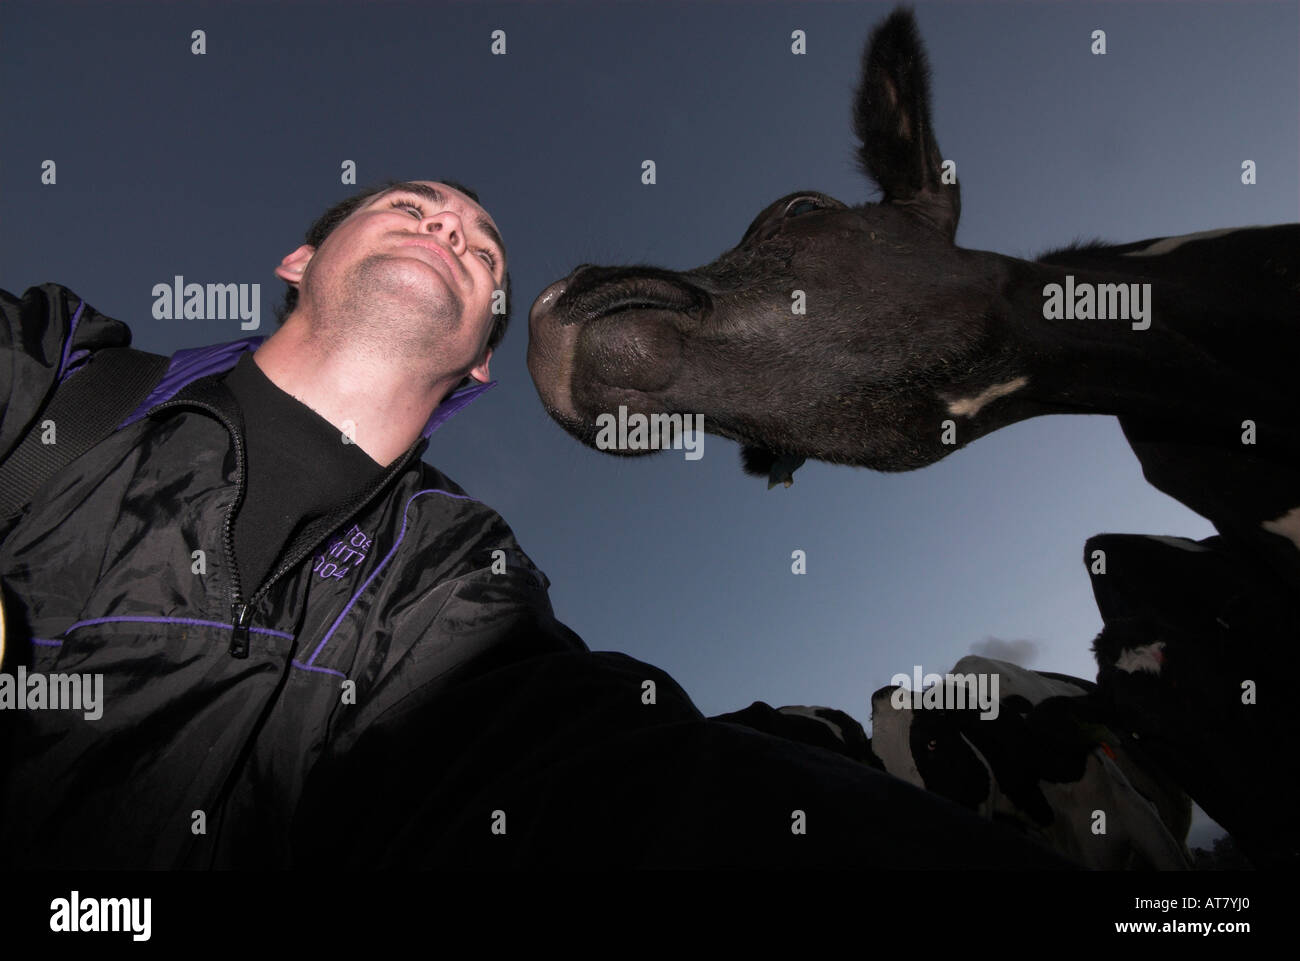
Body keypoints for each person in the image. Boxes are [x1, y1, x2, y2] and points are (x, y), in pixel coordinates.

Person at [0, 180, 1068, 869]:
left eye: (481, 250)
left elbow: (606, 780)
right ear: (297, 262)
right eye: (413, 208)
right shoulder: (57, 381)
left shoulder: (460, 586)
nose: (448, 230)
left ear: (474, 365)